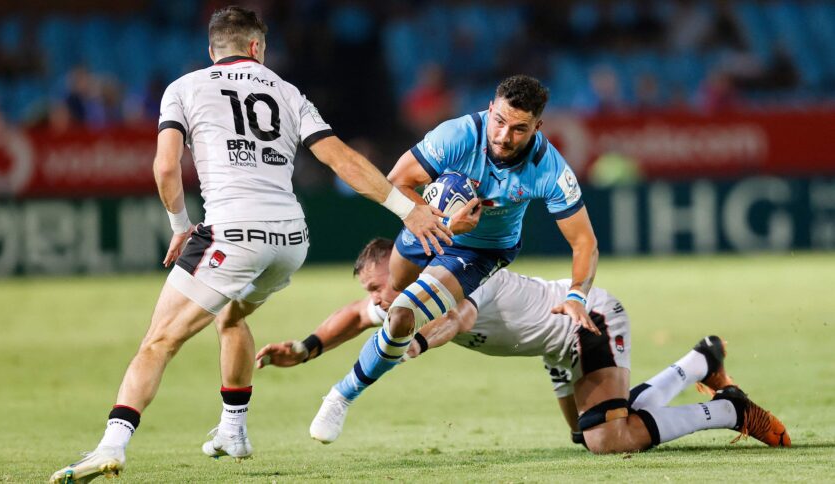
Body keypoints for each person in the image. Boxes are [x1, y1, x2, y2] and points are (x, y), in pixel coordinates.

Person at [50, 7, 453, 483]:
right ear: (257, 47)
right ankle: (233, 430)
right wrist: (408, 210)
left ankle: (111, 445)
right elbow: (343, 160)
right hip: (290, 240)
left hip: (232, 233)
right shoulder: (289, 92)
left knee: (158, 342)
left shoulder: (184, 88)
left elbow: (165, 167)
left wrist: (180, 225)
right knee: (232, 314)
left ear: (212, 50)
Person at [258, 238, 791, 452]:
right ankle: (699, 360)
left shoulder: (460, 275)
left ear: (403, 273)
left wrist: (417, 342)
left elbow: (460, 318)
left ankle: (729, 410)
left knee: (608, 439)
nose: (377, 299)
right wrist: (305, 348)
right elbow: (354, 316)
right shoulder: (407, 296)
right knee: (588, 434)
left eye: (380, 286)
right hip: (554, 348)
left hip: (586, 320)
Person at [311, 75, 599, 435]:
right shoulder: (457, 135)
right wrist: (444, 222)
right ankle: (377, 332)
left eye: (519, 129)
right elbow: (396, 182)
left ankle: (341, 396)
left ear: (537, 127)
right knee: (391, 295)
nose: (504, 136)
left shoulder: (550, 168)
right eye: (499, 121)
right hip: (427, 224)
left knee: (402, 315)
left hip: (482, 249)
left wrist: (577, 295)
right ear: (490, 109)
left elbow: (584, 241)